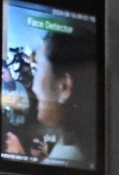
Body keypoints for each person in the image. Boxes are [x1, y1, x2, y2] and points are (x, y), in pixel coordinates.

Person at [32, 31, 96, 167]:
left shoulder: (69, 161)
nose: (34, 88)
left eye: (37, 69)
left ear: (64, 86)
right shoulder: (87, 151)